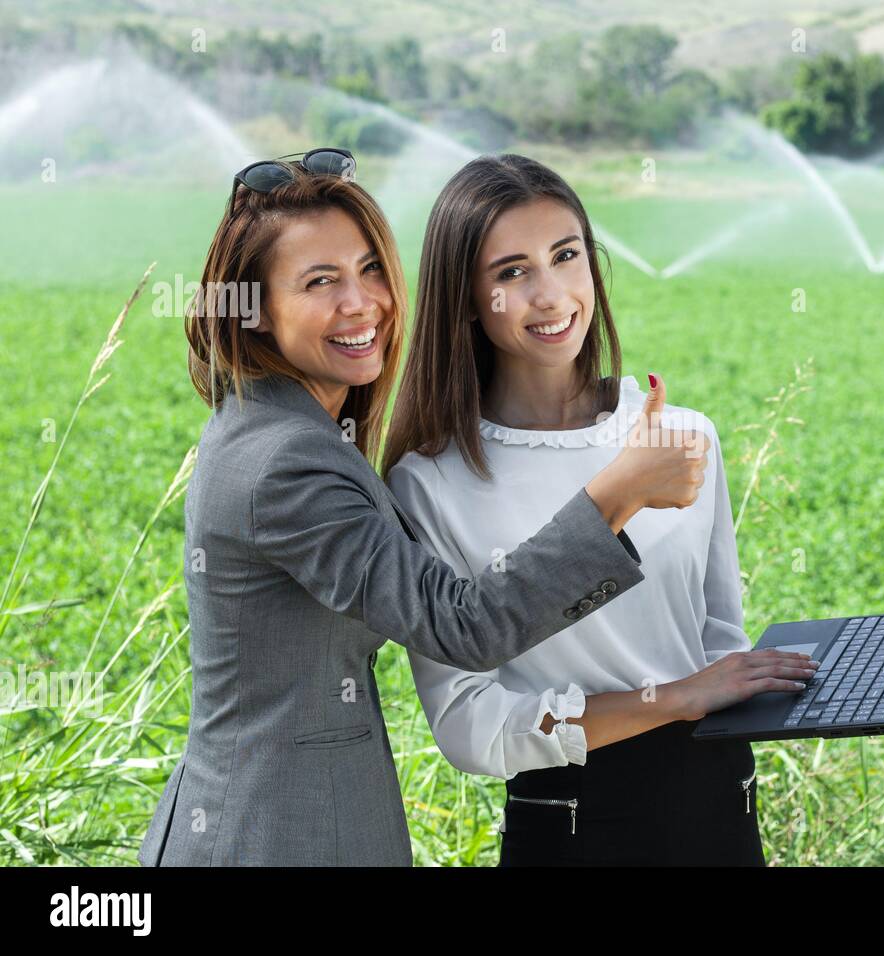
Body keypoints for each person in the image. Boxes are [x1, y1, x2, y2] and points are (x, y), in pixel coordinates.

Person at [138, 149, 705, 866]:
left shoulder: (281, 426)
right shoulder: (284, 462)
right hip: (275, 836)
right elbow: (460, 625)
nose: (361, 303)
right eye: (320, 282)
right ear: (255, 315)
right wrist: (620, 491)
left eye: (370, 268)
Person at [385, 154, 826, 865]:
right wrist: (674, 699)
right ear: (466, 298)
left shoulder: (684, 436)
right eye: (512, 272)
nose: (552, 294)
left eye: (566, 256)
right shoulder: (430, 483)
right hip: (573, 829)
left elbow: (722, 656)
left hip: (721, 814)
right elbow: (469, 725)